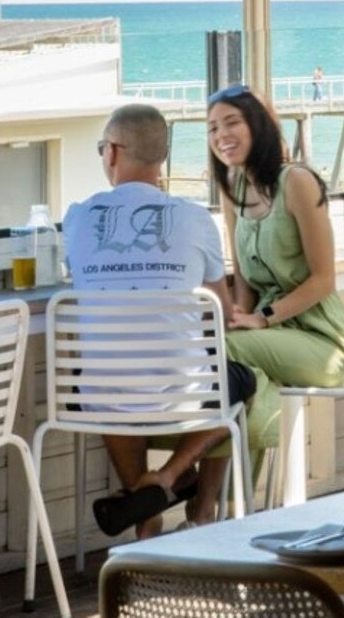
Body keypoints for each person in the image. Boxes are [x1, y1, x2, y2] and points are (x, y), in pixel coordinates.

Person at [62, 103, 255, 539]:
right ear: (163, 157)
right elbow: (221, 315)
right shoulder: (195, 218)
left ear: (112, 151)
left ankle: (142, 510)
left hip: (99, 398)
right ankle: (167, 479)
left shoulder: (76, 218)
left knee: (111, 376)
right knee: (240, 381)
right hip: (180, 394)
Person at [188, 82, 344, 525]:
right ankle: (228, 512)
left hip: (321, 341)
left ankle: (193, 489)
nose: (220, 135)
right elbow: (242, 273)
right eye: (211, 128)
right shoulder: (232, 187)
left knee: (228, 352)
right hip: (270, 334)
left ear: (257, 125)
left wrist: (262, 319)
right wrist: (239, 315)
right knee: (244, 377)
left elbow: (323, 280)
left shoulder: (295, 181)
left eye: (231, 122)